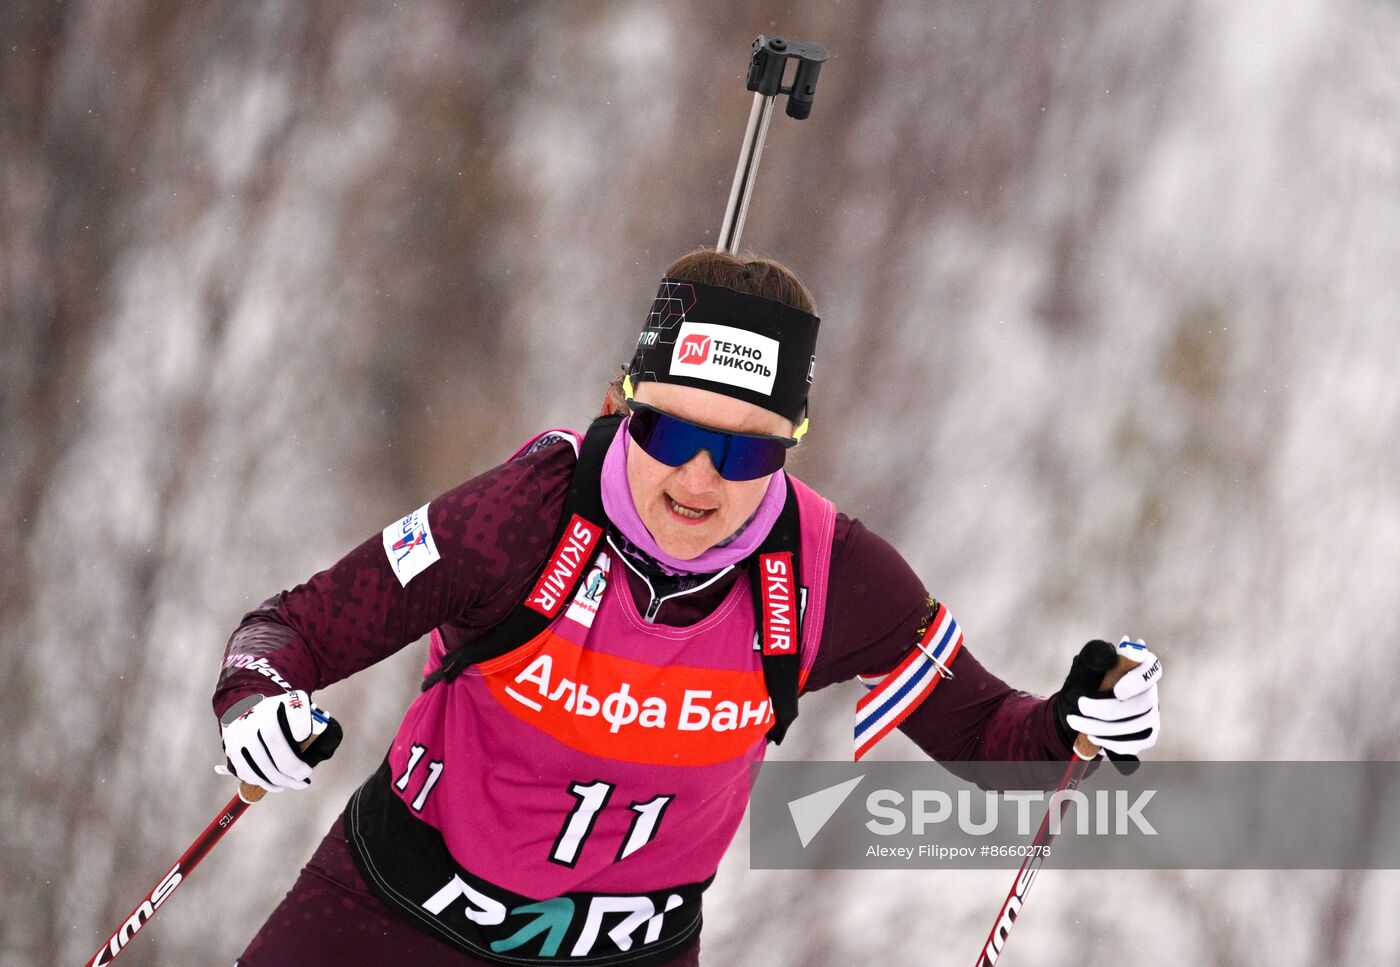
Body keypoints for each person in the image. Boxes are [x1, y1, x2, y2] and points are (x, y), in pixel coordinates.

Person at [214, 249, 1163, 967]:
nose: (703, 478)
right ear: (626, 404)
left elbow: (998, 745)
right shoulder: (517, 520)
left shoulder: (835, 575)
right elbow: (289, 630)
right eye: (673, 430)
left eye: (749, 451)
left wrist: (1079, 721)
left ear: (791, 445)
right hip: (389, 916)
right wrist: (259, 709)